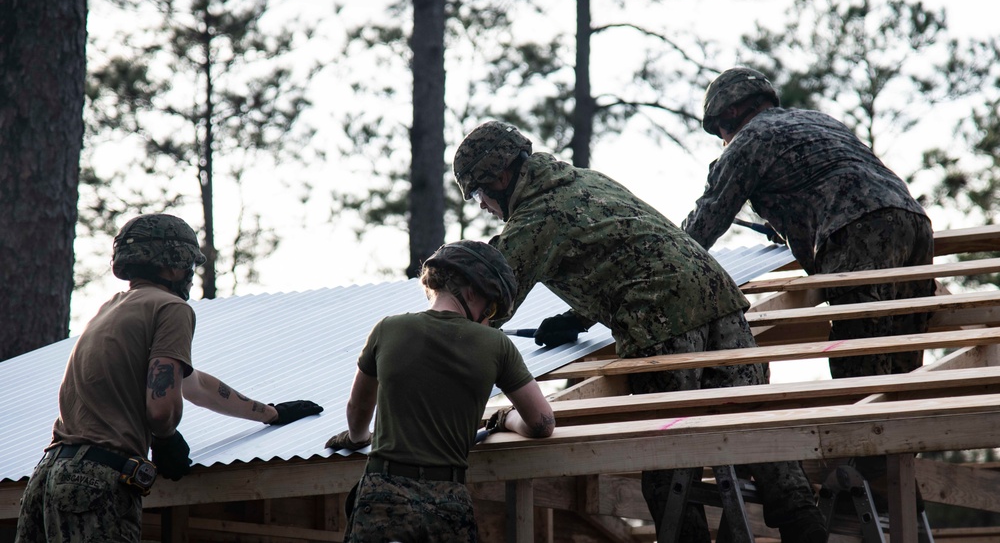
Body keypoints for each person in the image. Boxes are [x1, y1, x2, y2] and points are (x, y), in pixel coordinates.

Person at [452, 121, 826, 543]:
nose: (483, 206)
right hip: (723, 305)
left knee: (669, 470)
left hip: (662, 324)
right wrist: (577, 318)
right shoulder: (588, 181)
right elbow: (633, 250)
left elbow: (480, 301)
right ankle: (804, 522)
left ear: (501, 177)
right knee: (756, 431)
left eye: (480, 194)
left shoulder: (535, 218)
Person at [15, 214, 324, 543]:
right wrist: (165, 439)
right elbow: (161, 406)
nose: (191, 273)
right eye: (189, 263)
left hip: (48, 476)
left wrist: (270, 413)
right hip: (95, 482)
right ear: (173, 262)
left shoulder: (112, 308)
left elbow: (194, 385)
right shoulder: (171, 308)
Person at [681, 67, 935, 380]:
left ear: (730, 112)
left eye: (720, 131)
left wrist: (669, 256)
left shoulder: (750, 138)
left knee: (860, 368)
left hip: (858, 232)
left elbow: (707, 218)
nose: (723, 140)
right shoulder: (818, 120)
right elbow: (829, 178)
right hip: (914, 223)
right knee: (903, 366)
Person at [325, 240, 555, 543]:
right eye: (493, 308)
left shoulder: (387, 329)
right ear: (472, 292)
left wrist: (358, 438)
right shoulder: (497, 346)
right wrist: (505, 420)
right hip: (448, 503)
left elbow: (357, 409)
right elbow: (542, 423)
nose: (490, 319)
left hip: (383, 495)